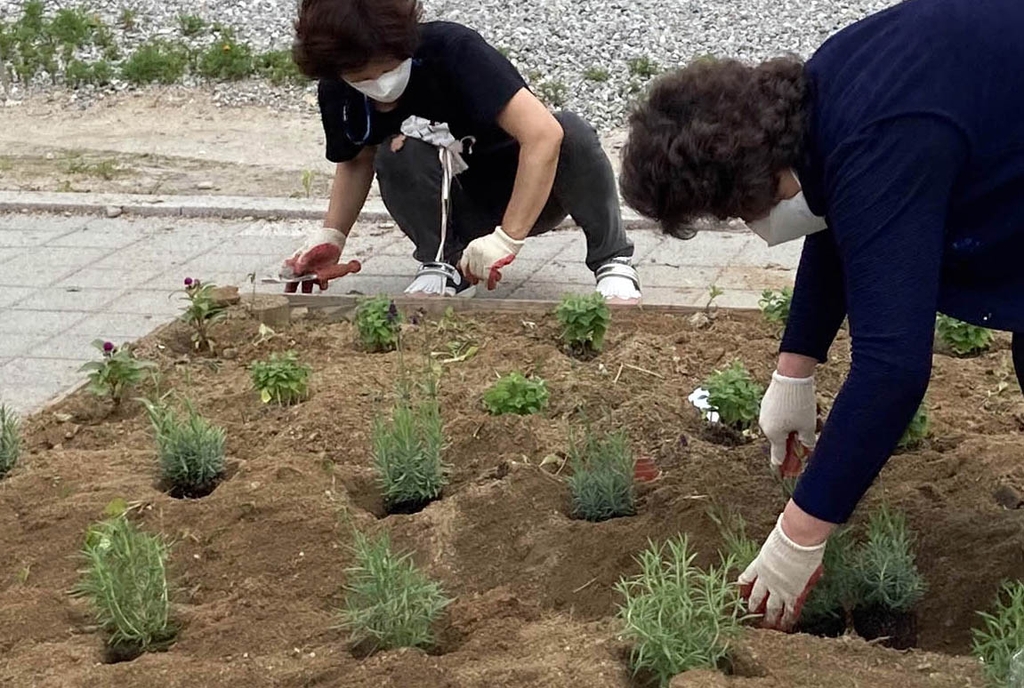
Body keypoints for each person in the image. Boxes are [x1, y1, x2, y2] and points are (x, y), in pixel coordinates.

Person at [619, 0, 1024, 630]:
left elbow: (892, 370)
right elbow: (844, 213)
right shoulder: (816, 93)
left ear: (752, 176)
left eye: (734, 214)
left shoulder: (883, 134)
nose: (749, 227)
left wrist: (799, 536)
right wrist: (795, 370)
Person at [282, 0, 641, 303]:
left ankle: (612, 260)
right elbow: (355, 162)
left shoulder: (454, 51)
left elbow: (542, 136)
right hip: (454, 209)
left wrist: (508, 237)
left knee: (569, 131)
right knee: (394, 151)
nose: (379, 83)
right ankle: (444, 264)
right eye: (361, 79)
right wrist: (332, 237)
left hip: (530, 192)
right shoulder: (337, 87)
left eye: (388, 69)